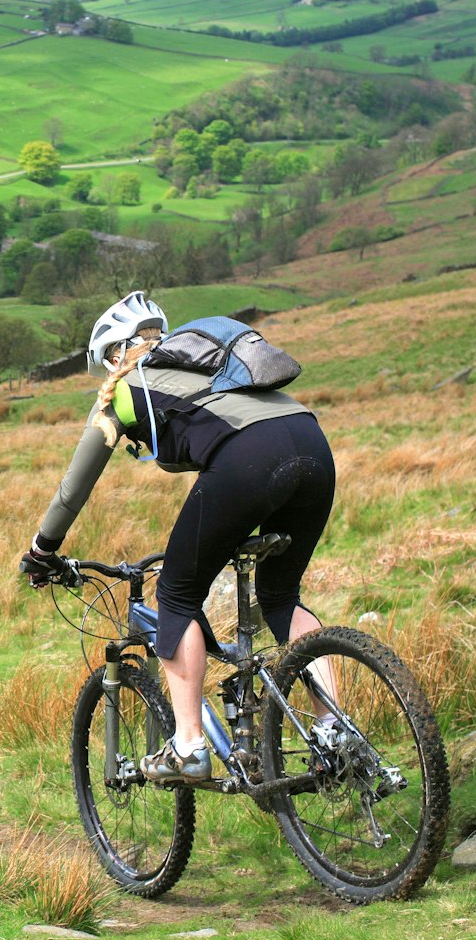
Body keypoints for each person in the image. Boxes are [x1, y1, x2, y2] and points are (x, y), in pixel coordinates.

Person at [19, 291, 338, 785]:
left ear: (113, 355)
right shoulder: (209, 366)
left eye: (106, 362)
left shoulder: (127, 390)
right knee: (280, 596)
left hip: (248, 458)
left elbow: (71, 491)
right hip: (312, 442)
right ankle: (333, 729)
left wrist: (42, 551)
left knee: (176, 591)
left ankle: (188, 745)